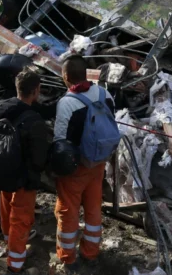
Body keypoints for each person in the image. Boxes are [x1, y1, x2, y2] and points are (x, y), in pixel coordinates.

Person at [0, 70, 49, 273]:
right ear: (36, 91)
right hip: (23, 178)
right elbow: (39, 159)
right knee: (20, 218)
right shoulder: (35, 121)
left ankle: (7, 241)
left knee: (6, 209)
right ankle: (15, 263)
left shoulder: (0, 107)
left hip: (2, 171)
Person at [53, 55, 115, 272]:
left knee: (68, 211)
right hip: (98, 163)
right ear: (86, 74)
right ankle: (91, 252)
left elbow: (60, 140)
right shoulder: (103, 93)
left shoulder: (67, 103)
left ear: (66, 76)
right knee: (93, 207)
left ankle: (67, 257)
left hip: (76, 167)